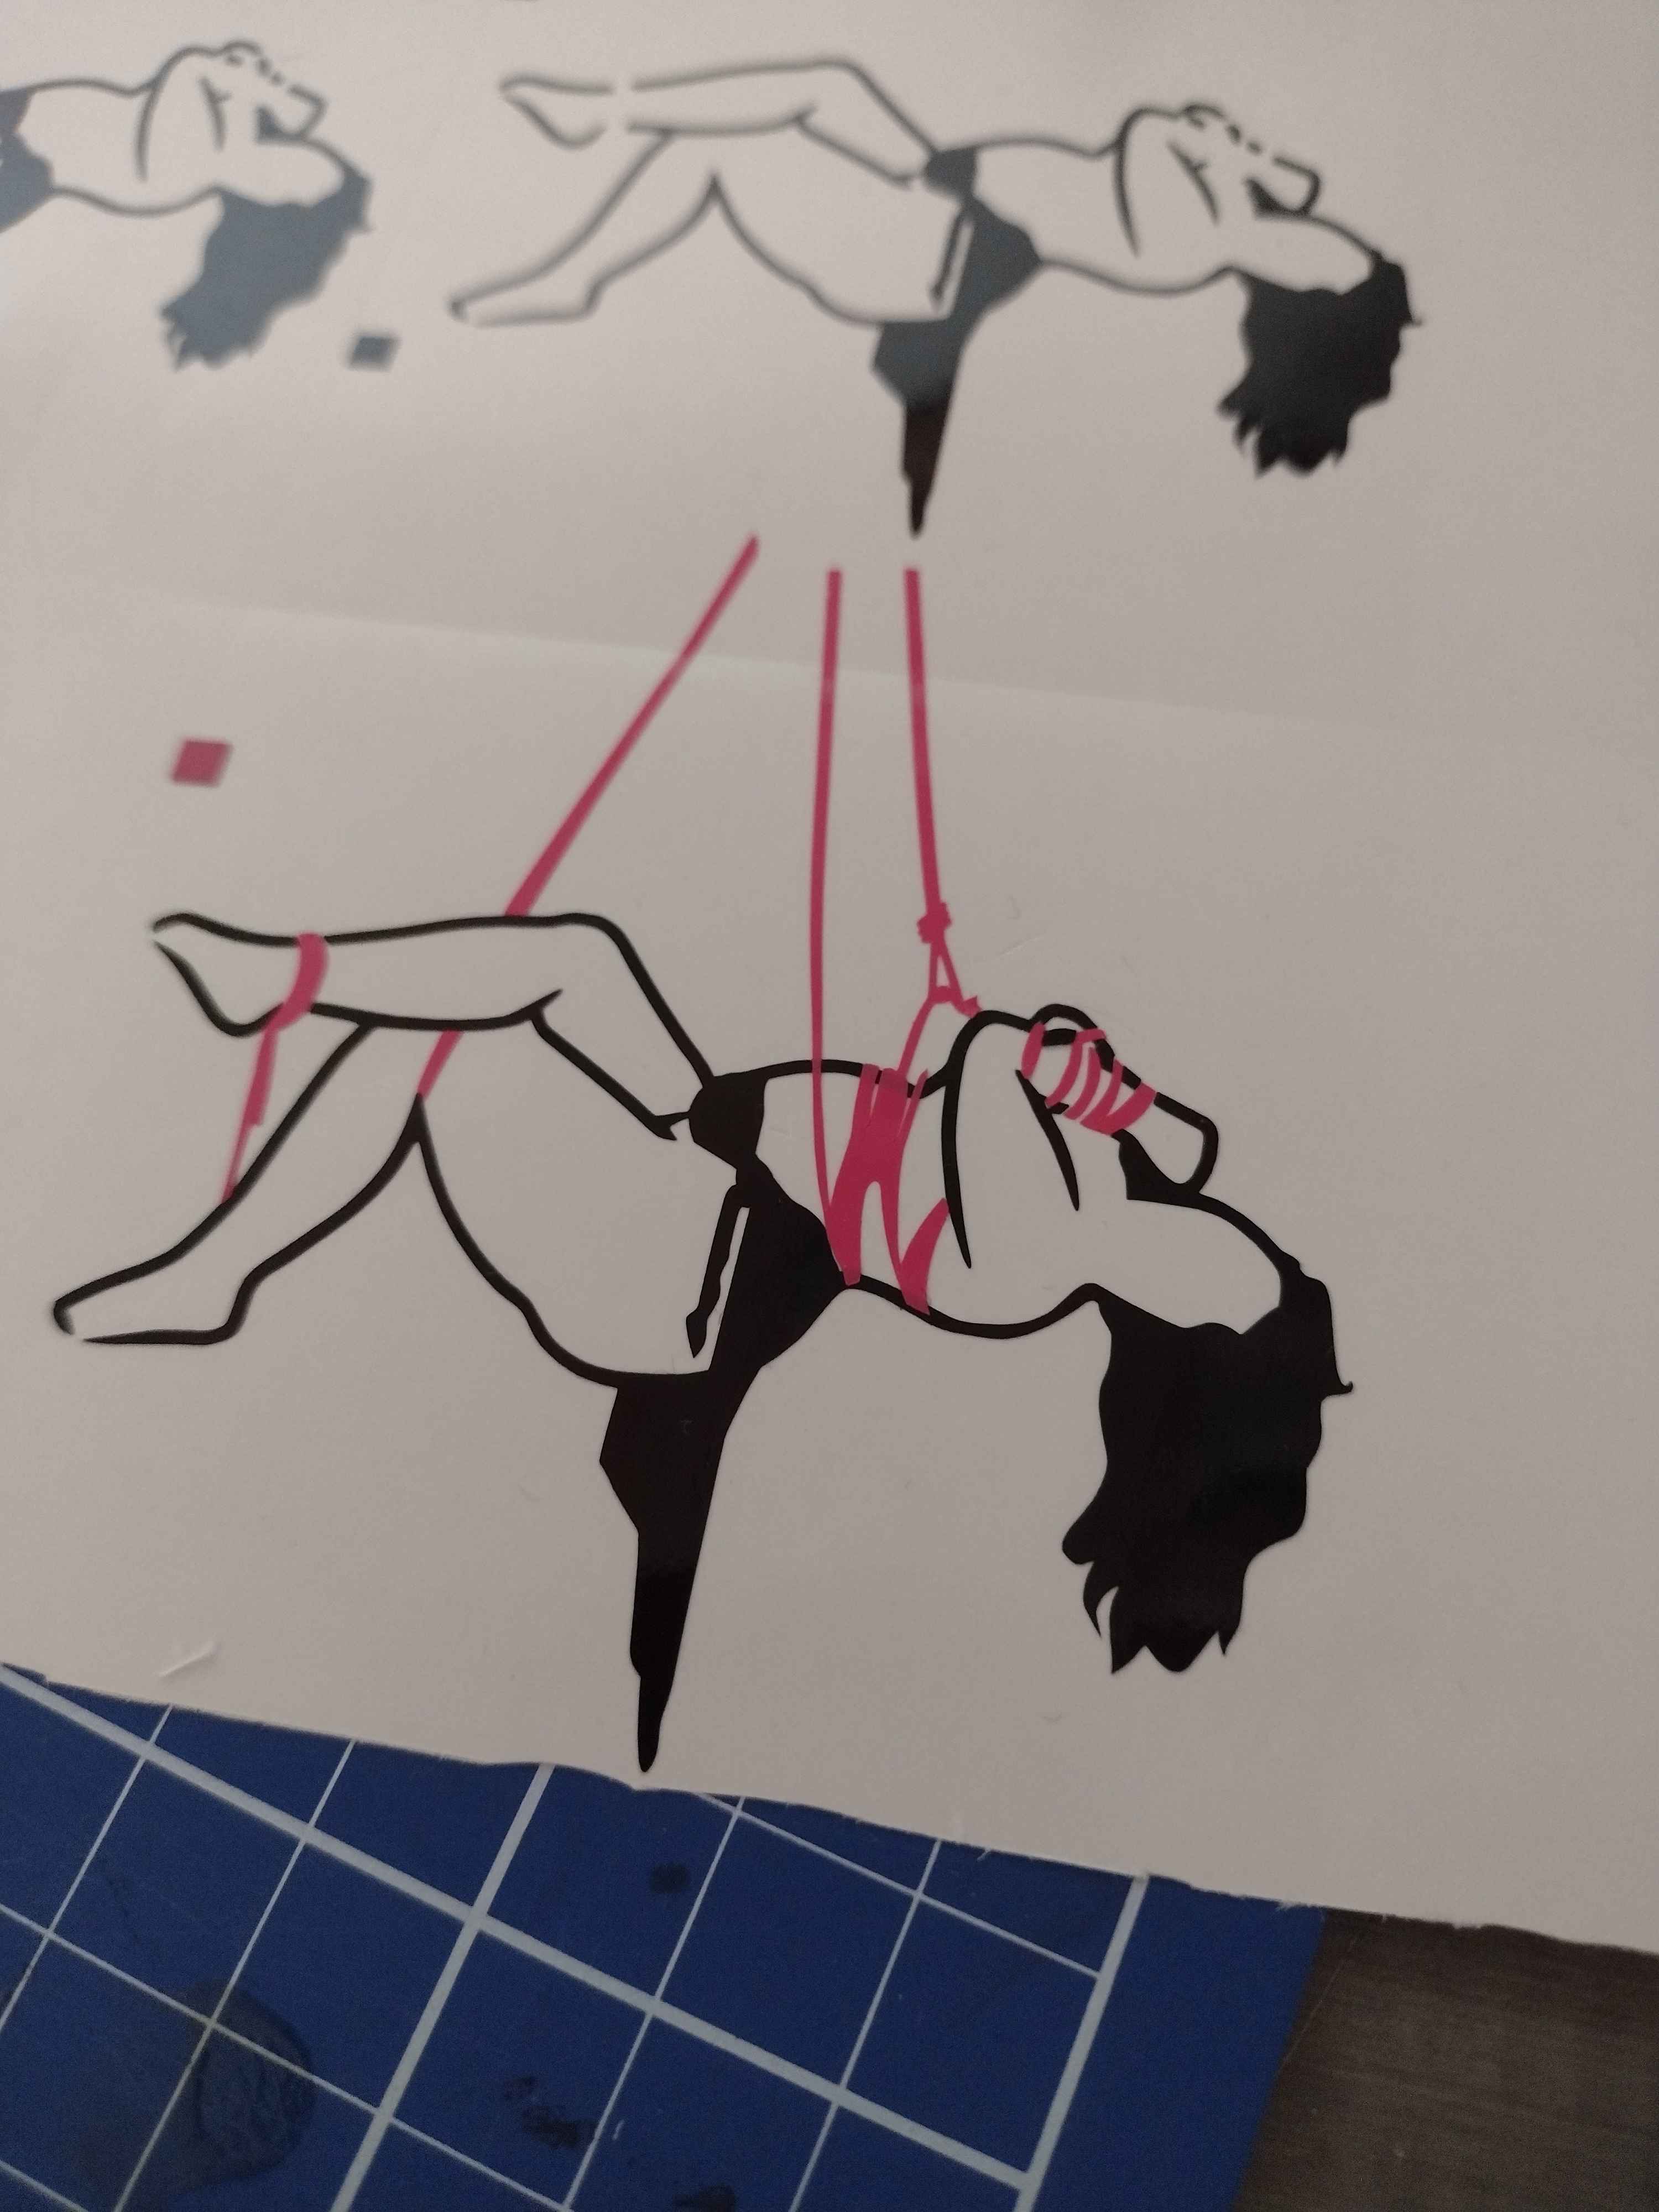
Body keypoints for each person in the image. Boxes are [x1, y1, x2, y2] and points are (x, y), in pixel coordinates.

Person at [55, 906, 1348, 1768]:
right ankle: (250, 1116)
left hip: (686, 1271)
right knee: (566, 958)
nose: (1242, 1232)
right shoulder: (1120, 1196)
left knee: (453, 1043)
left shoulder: (1035, 1253)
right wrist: (1117, 1095)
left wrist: (1064, 1066)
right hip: (701, 1162)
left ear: (1187, 1338)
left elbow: (993, 1050)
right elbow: (1182, 1141)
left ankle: (220, 1249)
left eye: (1239, 1271)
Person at [451, 61, 1416, 528]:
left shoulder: (1192, 245)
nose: (1321, 229)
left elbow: (1156, 129)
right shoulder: (1215, 223)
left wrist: (1242, 160)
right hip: (946, 197)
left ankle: (579, 255)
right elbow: (1189, 137)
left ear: (1313, 290)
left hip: (937, 250)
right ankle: (601, 119)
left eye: (1333, 254)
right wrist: (1257, 167)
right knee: (823, 86)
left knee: (727, 152)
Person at [0, 40, 368, 363]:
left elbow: (193, 65)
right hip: (24, 138)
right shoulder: (220, 141)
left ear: (270, 202)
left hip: (22, 144)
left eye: (295, 172)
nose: (292, 150)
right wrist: (258, 81)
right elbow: (281, 104)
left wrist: (257, 83)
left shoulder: (194, 164)